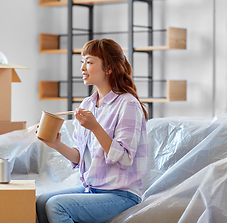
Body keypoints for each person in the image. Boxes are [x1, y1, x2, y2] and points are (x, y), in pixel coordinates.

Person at [36, 38, 149, 223]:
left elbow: (125, 158)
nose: (82, 68)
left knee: (56, 205)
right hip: (93, 189)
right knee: (42, 201)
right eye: (82, 62)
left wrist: (95, 127)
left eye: (89, 62)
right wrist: (56, 144)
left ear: (109, 67)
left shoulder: (128, 104)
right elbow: (81, 157)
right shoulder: (88, 104)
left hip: (122, 195)